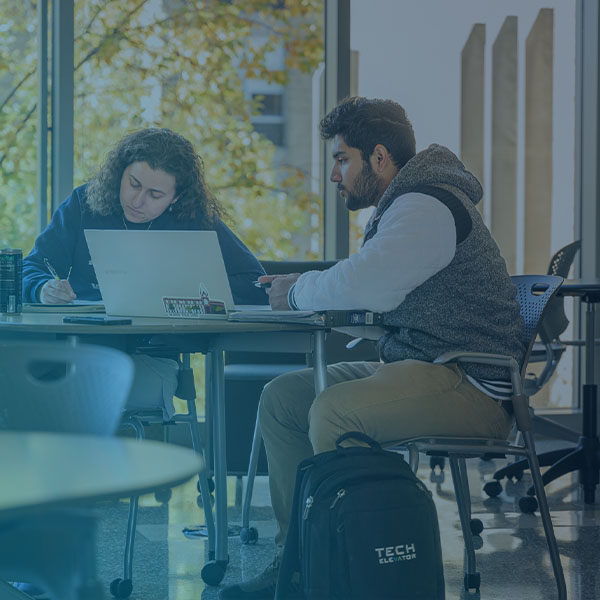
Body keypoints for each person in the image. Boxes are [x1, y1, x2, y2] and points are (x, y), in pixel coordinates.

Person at [219, 97, 526, 599]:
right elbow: (375, 285)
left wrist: (297, 291)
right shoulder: (406, 207)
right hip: (423, 368)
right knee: (282, 401)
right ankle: (299, 561)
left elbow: (373, 284)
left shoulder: (428, 206)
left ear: (379, 157)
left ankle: (348, 570)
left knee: (335, 411)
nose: (336, 175)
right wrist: (310, 285)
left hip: (471, 387)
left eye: (343, 160)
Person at [23, 127, 267, 421]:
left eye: (155, 194)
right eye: (133, 184)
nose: (137, 201)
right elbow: (33, 266)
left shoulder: (192, 220)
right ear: (119, 174)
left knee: (78, 397)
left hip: (150, 353)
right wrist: (43, 288)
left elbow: (255, 283)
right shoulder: (84, 203)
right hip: (74, 346)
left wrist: (188, 288)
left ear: (175, 198)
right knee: (20, 384)